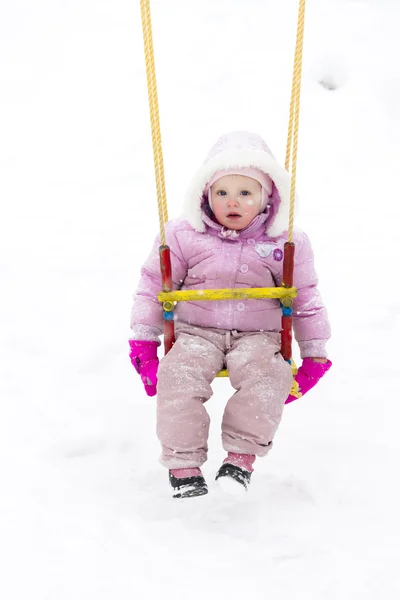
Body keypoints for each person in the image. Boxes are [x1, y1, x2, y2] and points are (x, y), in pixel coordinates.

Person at [129, 131, 332, 499]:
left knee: (270, 375)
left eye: (245, 192)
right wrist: (143, 341)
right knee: (177, 376)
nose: (232, 201)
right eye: (221, 192)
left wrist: (315, 353)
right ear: (204, 195)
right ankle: (183, 465)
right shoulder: (183, 234)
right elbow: (151, 285)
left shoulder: (284, 242)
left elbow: (306, 298)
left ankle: (240, 460)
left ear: (268, 198)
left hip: (259, 337)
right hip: (195, 333)